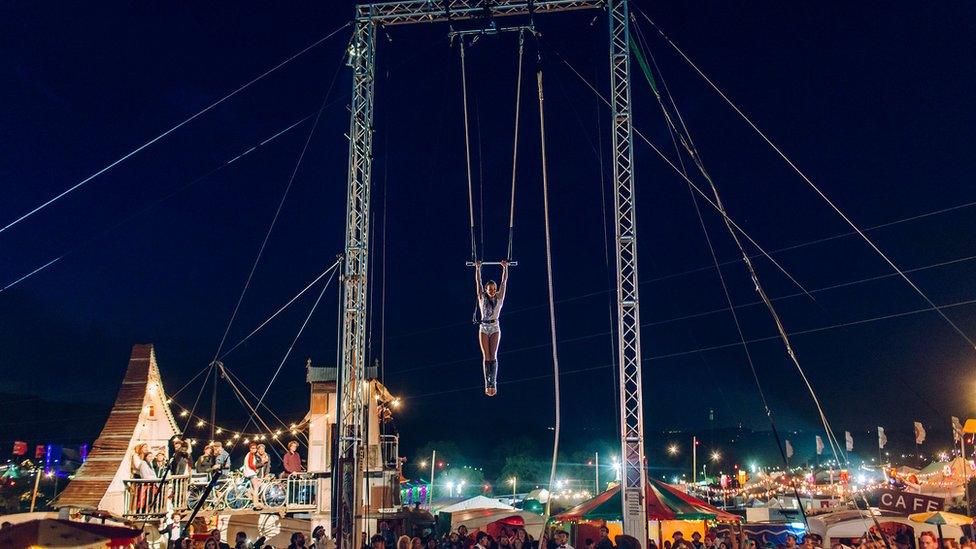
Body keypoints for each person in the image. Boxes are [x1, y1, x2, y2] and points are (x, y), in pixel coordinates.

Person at [474, 260, 509, 396]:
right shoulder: (482, 297)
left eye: (494, 289)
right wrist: (477, 268)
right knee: (486, 356)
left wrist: (505, 268)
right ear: (486, 289)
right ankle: (486, 382)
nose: (492, 291)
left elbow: (504, 282)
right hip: (484, 327)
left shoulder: (500, 297)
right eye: (490, 289)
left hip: (495, 327)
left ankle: (493, 382)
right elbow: (478, 281)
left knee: (493, 355)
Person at [242, 443, 263, 509]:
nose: (254, 449)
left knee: (252, 488)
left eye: (255, 448)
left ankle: (252, 500)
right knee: (256, 487)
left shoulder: (250, 455)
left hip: (248, 472)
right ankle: (256, 503)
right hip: (251, 473)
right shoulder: (250, 455)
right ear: (250, 449)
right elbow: (250, 465)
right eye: (252, 448)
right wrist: (255, 470)